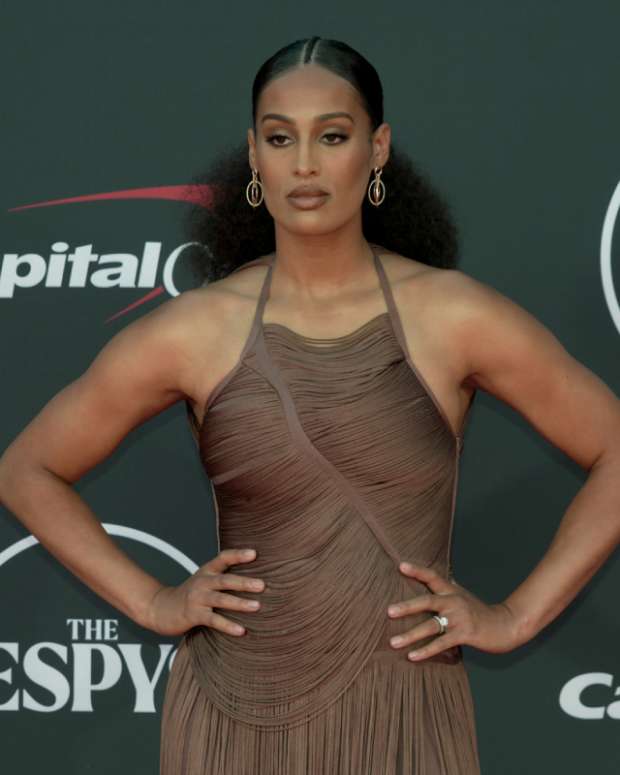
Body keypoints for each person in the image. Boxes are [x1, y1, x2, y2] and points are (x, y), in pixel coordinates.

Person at [1, 36, 619, 775]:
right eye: (279, 137)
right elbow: (27, 468)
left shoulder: (453, 317)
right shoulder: (196, 330)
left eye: (332, 136)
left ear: (377, 147)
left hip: (405, 712)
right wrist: (153, 601)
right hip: (231, 717)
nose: (304, 164)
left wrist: (513, 615)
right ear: (254, 154)